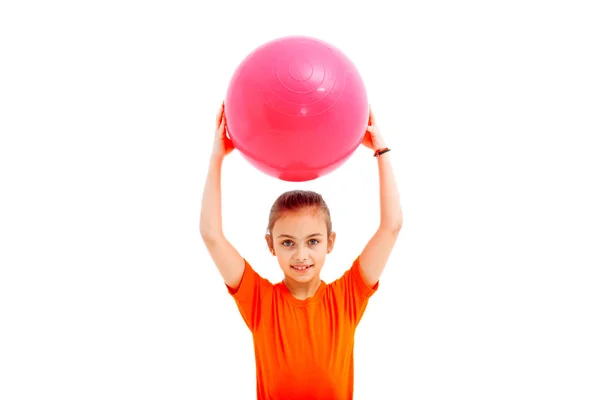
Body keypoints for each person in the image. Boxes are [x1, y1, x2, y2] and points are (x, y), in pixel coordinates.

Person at [200, 101, 403, 399]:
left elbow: (392, 226)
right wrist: (217, 157)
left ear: (329, 242)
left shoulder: (347, 297)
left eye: (313, 241)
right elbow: (211, 234)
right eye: (287, 243)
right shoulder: (259, 301)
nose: (301, 256)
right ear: (270, 245)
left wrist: (381, 151)